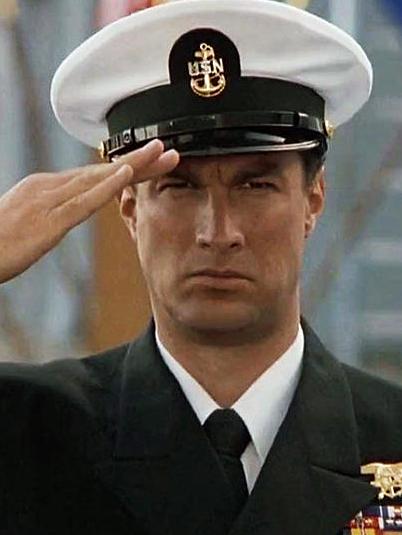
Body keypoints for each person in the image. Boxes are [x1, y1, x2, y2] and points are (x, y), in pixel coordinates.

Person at [1, 1, 402, 534]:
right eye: (180, 187)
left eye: (255, 185)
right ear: (129, 207)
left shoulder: (391, 435)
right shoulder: (27, 434)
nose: (218, 231)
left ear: (313, 199)